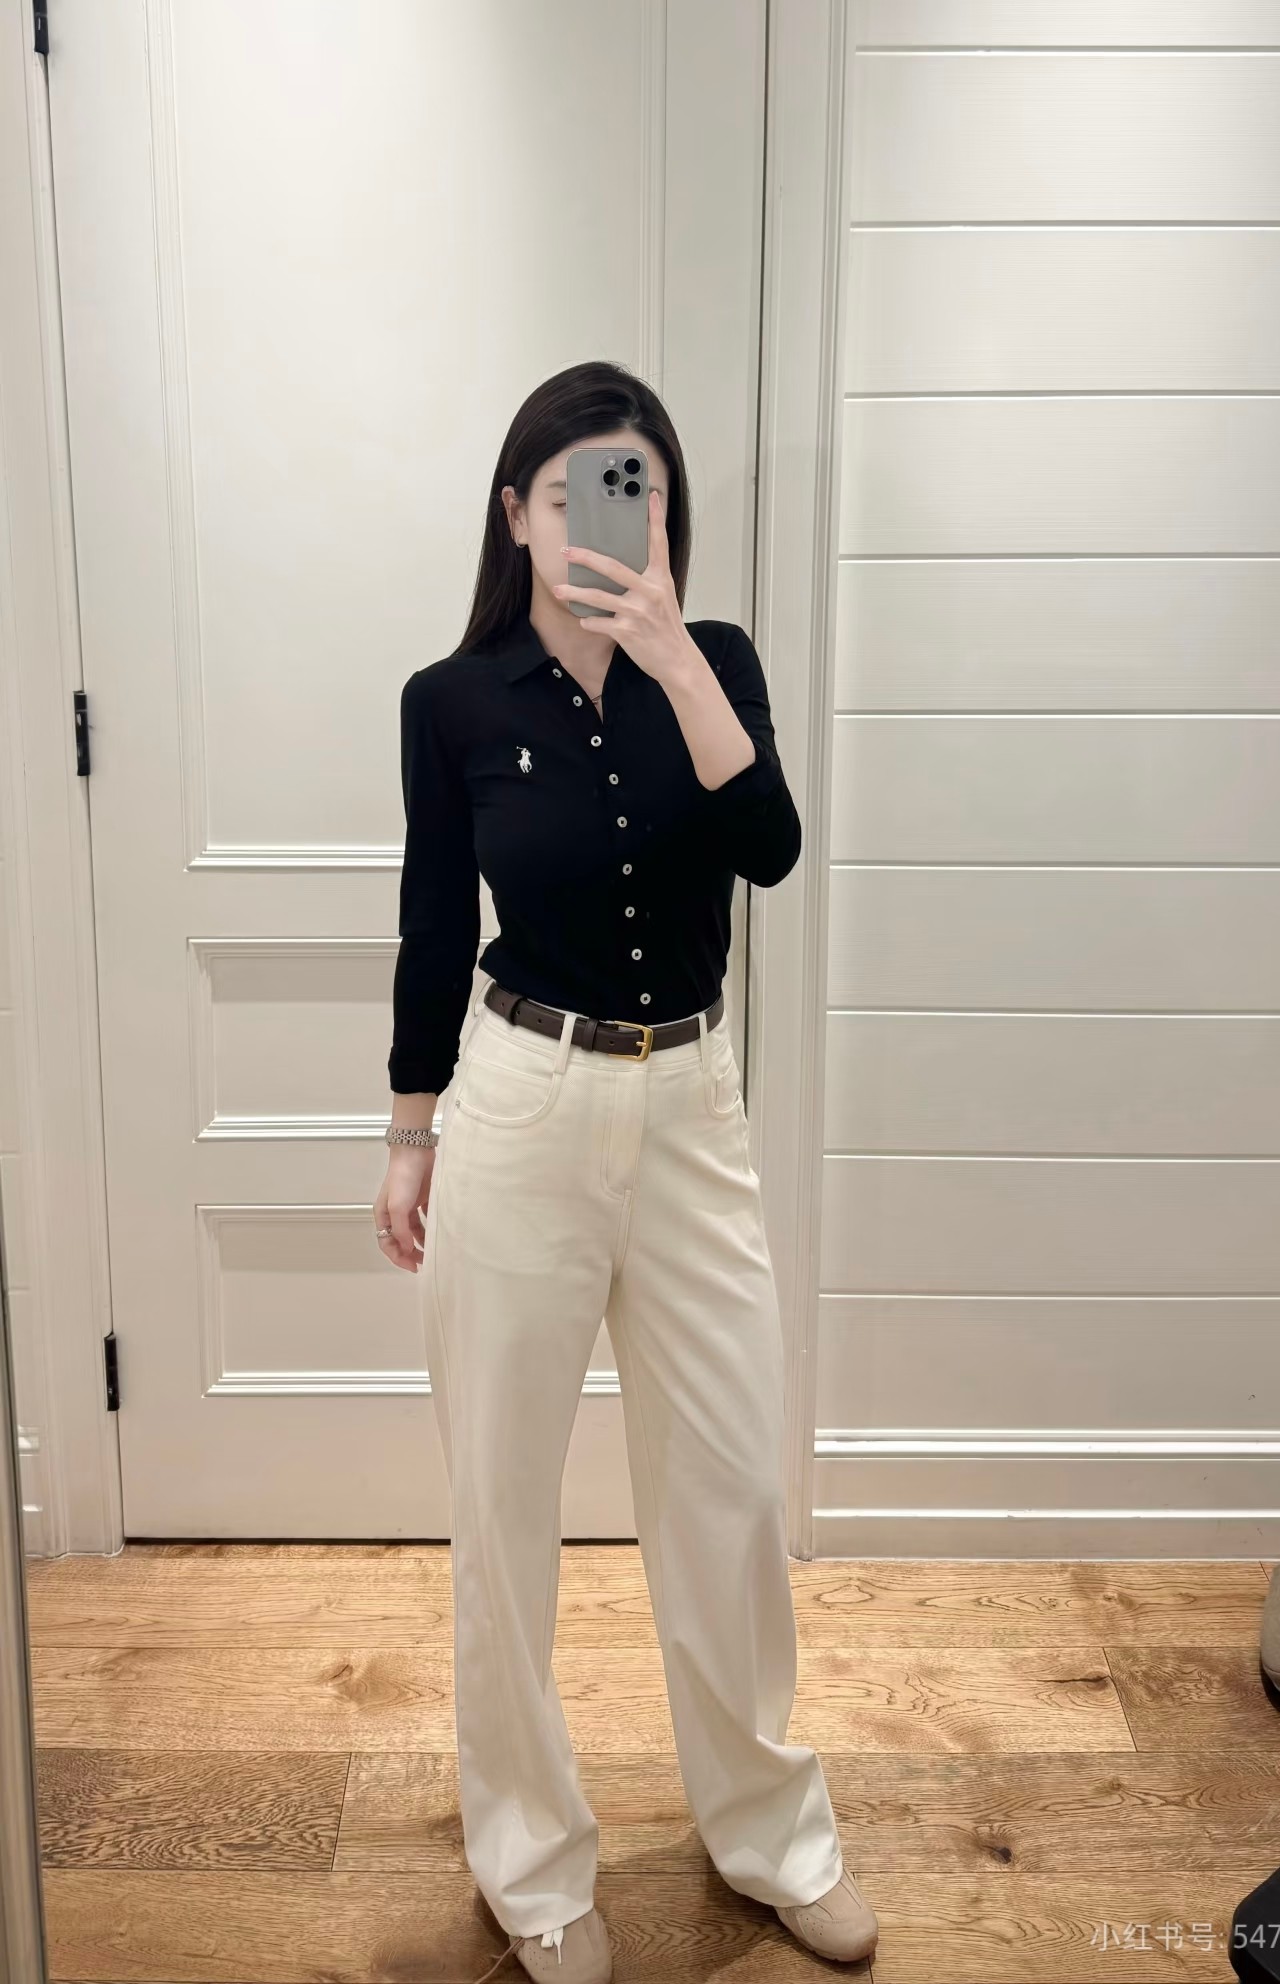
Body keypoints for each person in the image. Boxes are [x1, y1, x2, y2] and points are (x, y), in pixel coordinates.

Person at [374, 360, 878, 1983]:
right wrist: (408, 1132)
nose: (616, 512)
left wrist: (671, 656)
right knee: (501, 1503)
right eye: (583, 487)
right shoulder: (452, 702)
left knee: (729, 1488)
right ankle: (532, 1864)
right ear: (518, 513)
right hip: (521, 1108)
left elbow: (770, 847)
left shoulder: (713, 662)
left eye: (641, 486)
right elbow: (434, 921)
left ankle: (771, 1833)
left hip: (690, 1112)